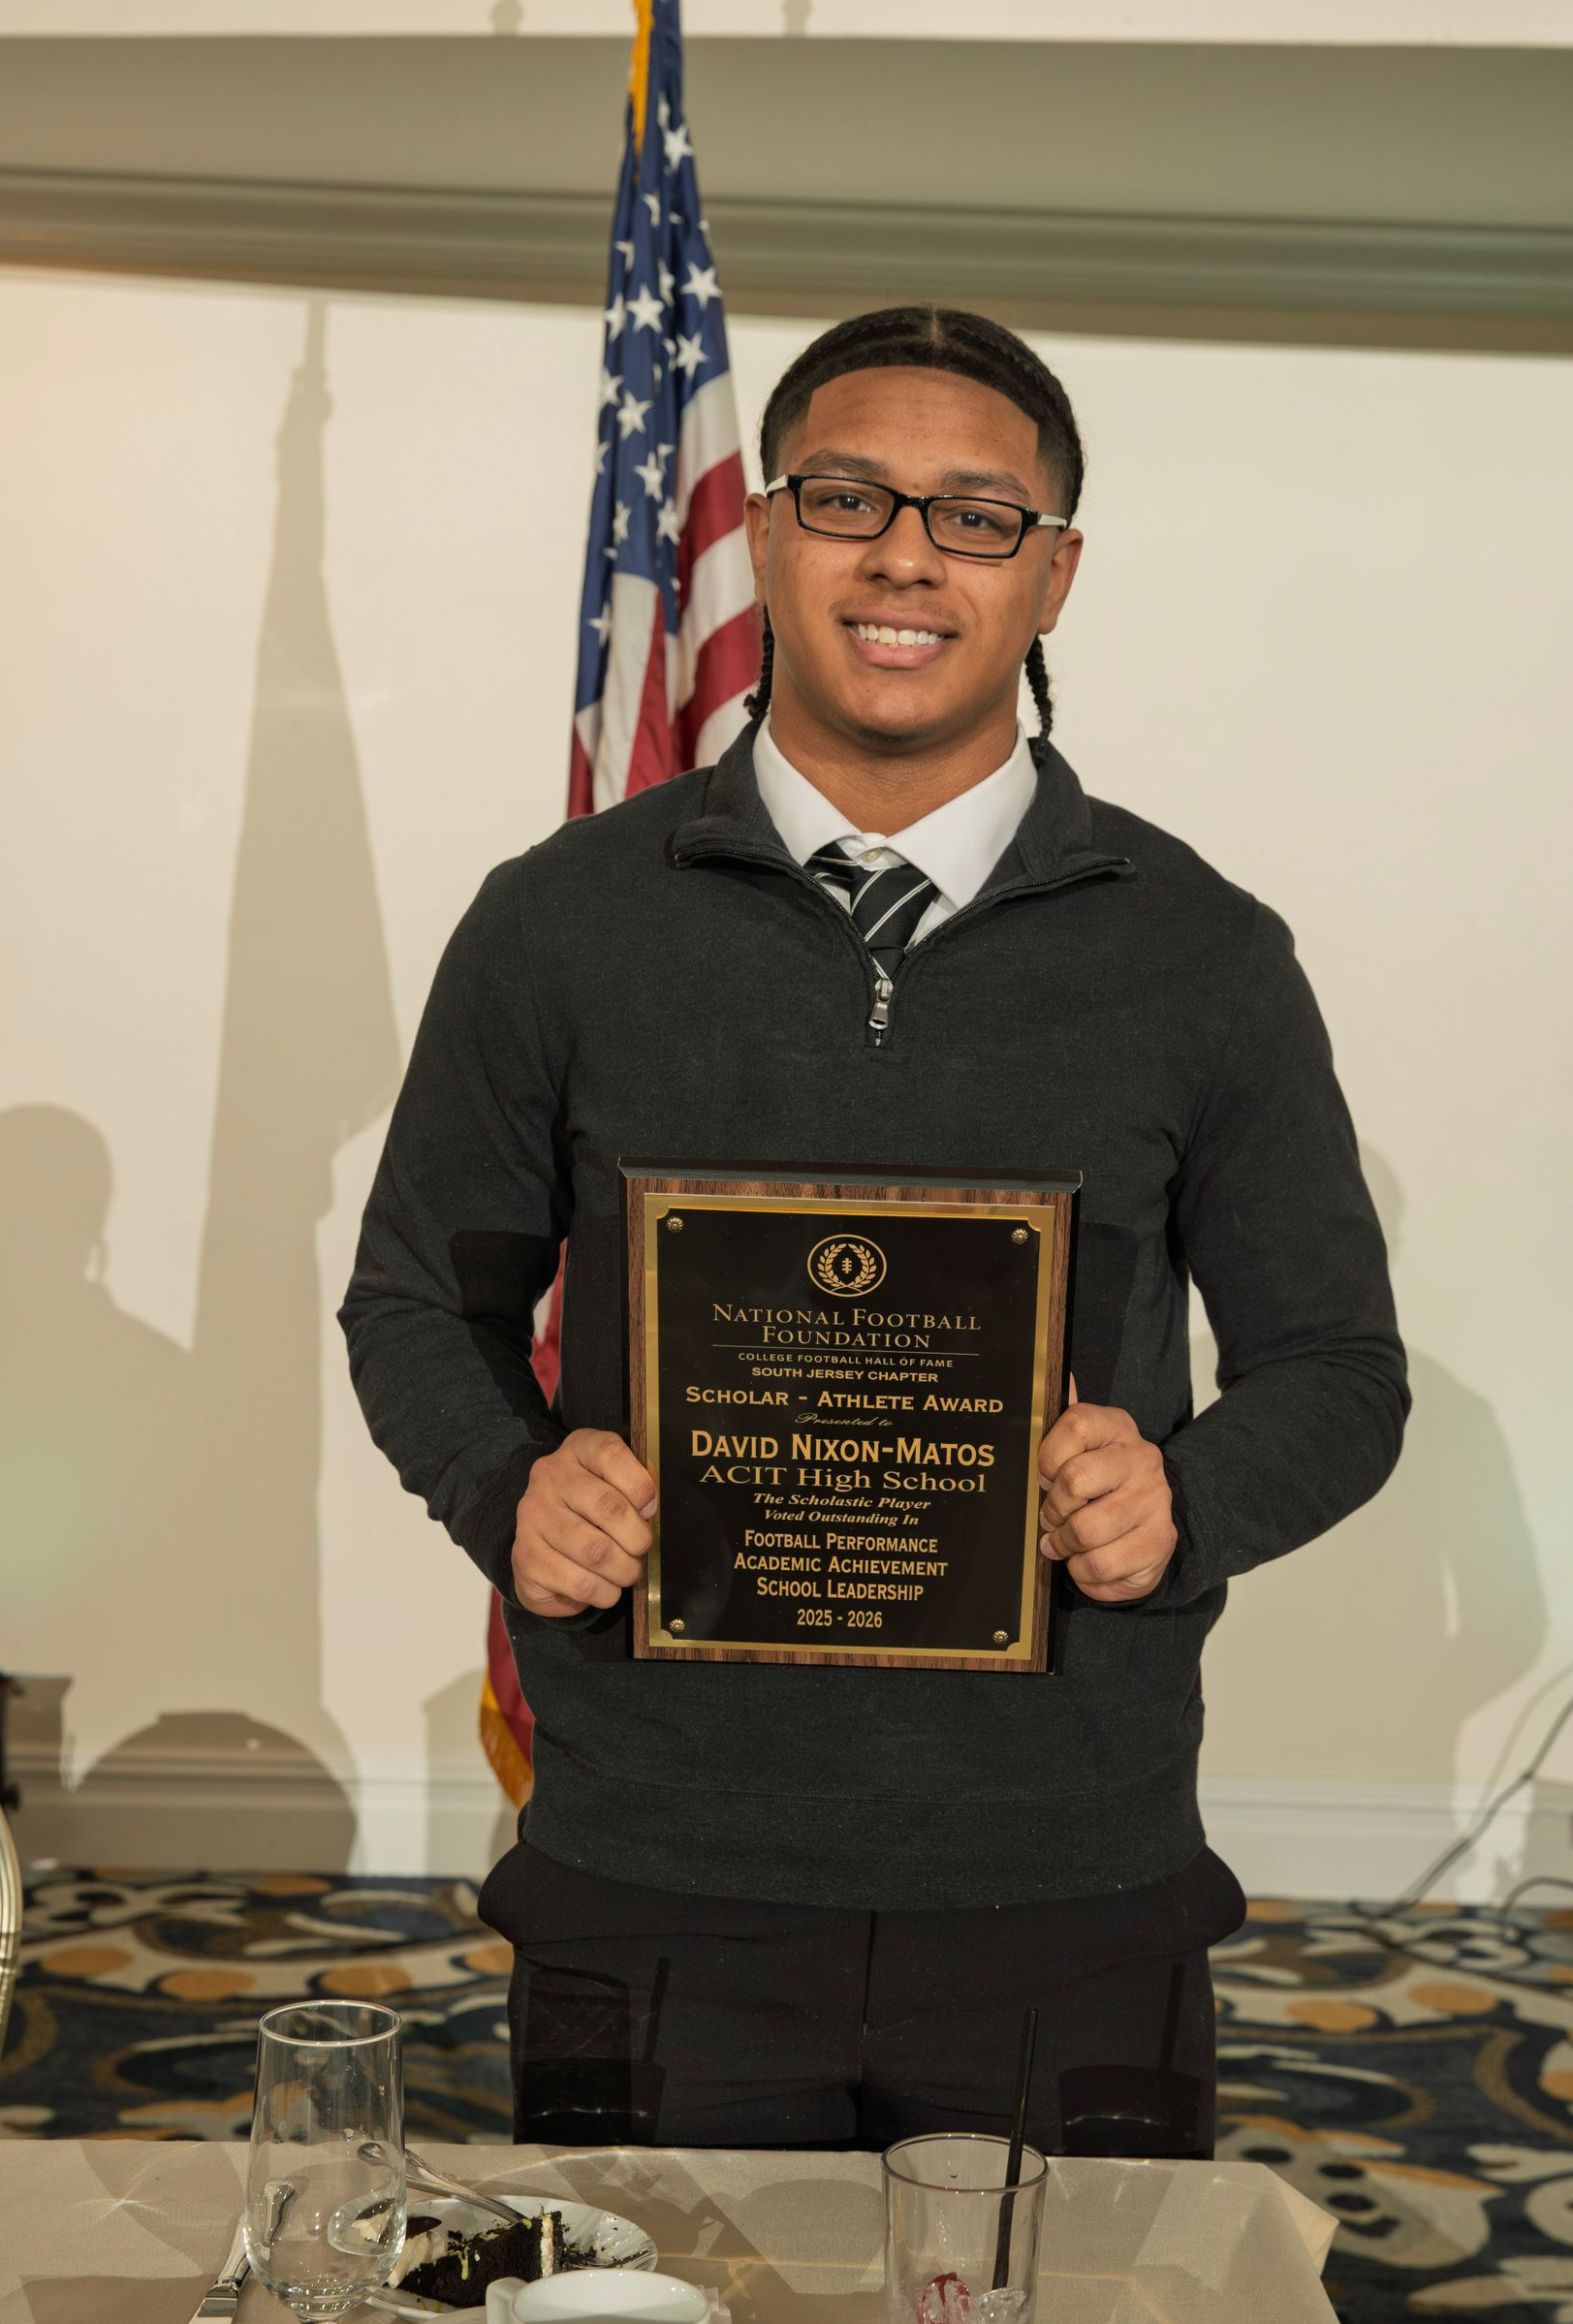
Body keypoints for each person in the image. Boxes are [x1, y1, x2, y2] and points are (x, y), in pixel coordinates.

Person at [340, 305, 1407, 2156]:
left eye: (977, 516)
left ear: (1053, 576)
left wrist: (1188, 1500)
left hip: (1064, 1868)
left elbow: (1339, 1370)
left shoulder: (1205, 955)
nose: (907, 553)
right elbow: (416, 1300)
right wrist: (507, 1489)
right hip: (657, 1857)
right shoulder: (561, 922)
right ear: (763, 535)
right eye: (849, 497)